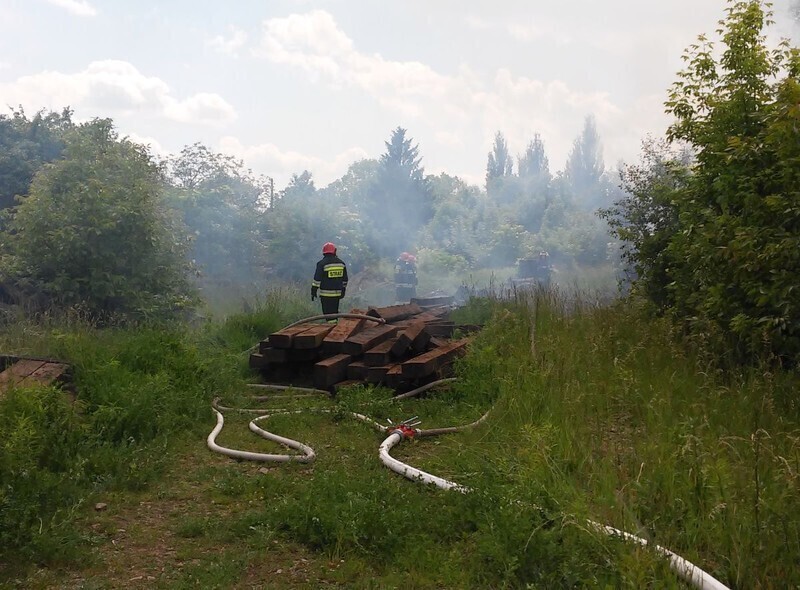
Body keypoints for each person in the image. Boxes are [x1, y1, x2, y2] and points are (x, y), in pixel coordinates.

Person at [311, 242, 348, 322]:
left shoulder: (321, 264)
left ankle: (331, 329)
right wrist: (343, 290)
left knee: (328, 314)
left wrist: (313, 291)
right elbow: (345, 280)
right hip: (337, 294)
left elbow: (317, 279)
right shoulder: (341, 264)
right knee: (334, 313)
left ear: (324, 252)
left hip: (325, 295)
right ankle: (334, 326)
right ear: (334, 251)